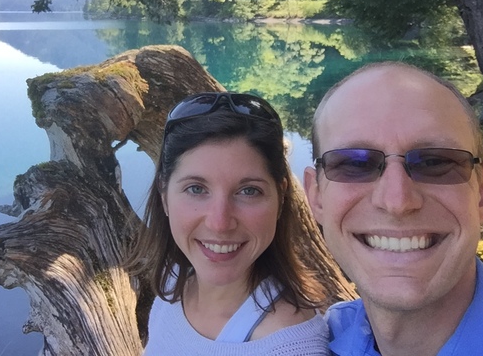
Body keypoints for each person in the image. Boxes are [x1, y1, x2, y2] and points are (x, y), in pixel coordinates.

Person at [303, 61, 483, 356]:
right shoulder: (318, 339)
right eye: (355, 164)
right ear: (316, 197)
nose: (397, 202)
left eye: (435, 162)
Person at [127, 92, 330, 355]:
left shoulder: (290, 347)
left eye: (248, 191)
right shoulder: (175, 280)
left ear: (280, 197)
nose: (220, 223)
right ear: (164, 195)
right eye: (196, 189)